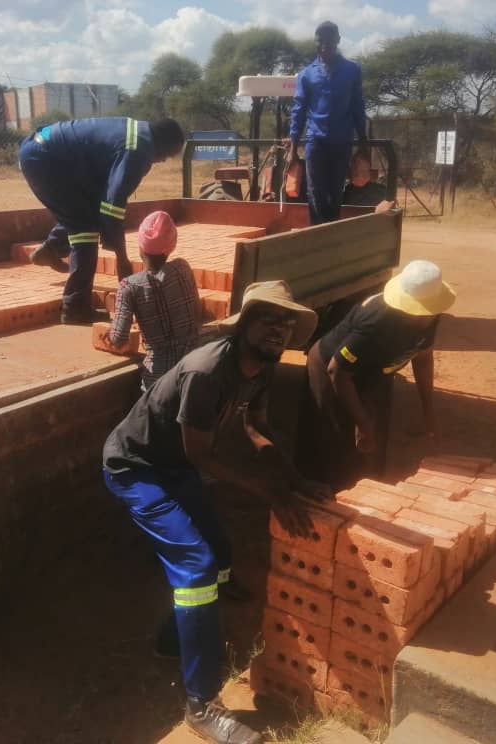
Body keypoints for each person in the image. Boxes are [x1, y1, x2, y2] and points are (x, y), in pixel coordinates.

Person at [102, 281, 331, 744]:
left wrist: (294, 481)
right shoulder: (208, 371)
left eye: (287, 323)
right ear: (244, 323)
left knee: (221, 552)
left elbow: (257, 429)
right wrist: (271, 495)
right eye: (269, 318)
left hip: (174, 465)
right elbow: (202, 456)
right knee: (198, 567)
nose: (279, 330)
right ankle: (201, 704)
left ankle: (175, 640)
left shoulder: (260, 368)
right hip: (137, 468)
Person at [297, 260, 456, 491]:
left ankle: (369, 492)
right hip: (331, 369)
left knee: (373, 442)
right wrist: (362, 422)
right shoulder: (377, 322)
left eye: (429, 313)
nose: (425, 319)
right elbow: (337, 371)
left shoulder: (431, 314)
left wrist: (428, 413)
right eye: (419, 313)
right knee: (336, 440)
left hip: (373, 372)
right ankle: (328, 500)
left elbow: (423, 357)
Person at [18, 117, 186, 324]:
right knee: (84, 231)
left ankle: (52, 248)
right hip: (44, 159)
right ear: (162, 143)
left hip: (43, 148)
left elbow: (106, 201)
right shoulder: (138, 150)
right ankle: (75, 308)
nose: (163, 160)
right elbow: (112, 208)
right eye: (168, 155)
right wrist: (122, 260)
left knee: (85, 211)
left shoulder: (138, 134)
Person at [100, 210, 202, 389]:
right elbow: (196, 313)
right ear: (172, 246)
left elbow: (119, 339)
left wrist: (107, 333)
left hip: (159, 381)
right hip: (194, 368)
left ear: (140, 248)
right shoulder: (183, 268)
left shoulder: (130, 286)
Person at [288, 21, 368, 225]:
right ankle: (318, 234)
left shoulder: (352, 70)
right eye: (320, 41)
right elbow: (299, 111)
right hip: (316, 141)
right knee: (315, 192)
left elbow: (358, 107)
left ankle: (331, 235)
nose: (325, 45)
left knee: (335, 192)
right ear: (316, 42)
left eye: (330, 40)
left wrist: (363, 142)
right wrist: (293, 147)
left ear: (338, 41)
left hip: (342, 141)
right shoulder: (306, 74)